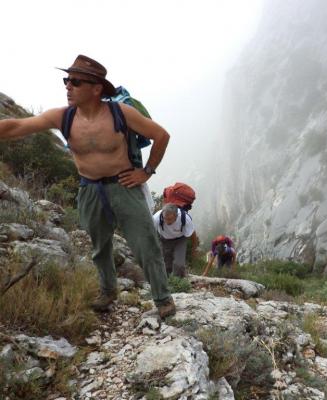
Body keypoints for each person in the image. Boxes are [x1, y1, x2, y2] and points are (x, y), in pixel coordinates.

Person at [0, 54, 175, 318]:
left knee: (145, 245)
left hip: (124, 186)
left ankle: (163, 299)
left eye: (76, 82)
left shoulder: (120, 113)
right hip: (90, 189)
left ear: (96, 89)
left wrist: (146, 172)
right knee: (99, 247)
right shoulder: (63, 117)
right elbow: (17, 127)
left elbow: (161, 135)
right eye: (66, 80)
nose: (68, 86)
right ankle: (108, 291)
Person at [153, 203, 198, 277]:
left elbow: (193, 234)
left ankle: (178, 282)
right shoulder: (157, 218)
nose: (167, 222)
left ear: (176, 216)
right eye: (165, 219)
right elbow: (149, 232)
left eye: (170, 219)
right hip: (165, 240)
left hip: (180, 240)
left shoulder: (185, 218)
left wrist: (194, 249)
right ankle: (167, 282)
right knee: (166, 264)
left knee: (179, 264)